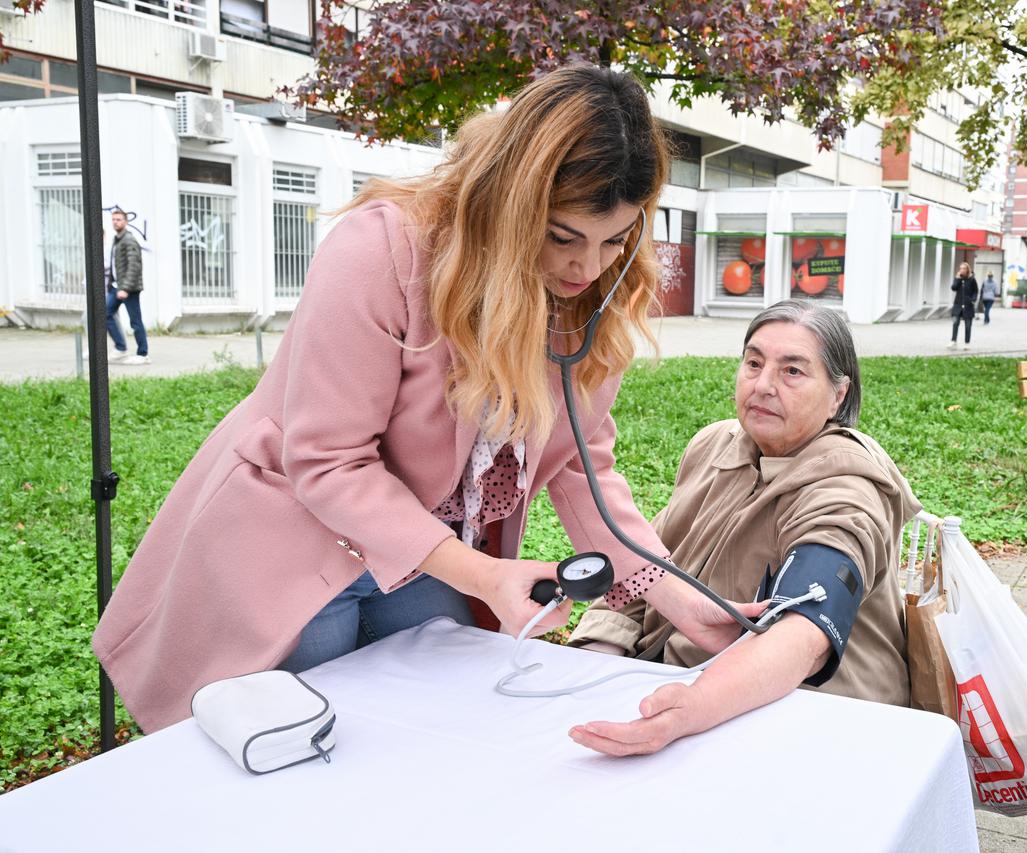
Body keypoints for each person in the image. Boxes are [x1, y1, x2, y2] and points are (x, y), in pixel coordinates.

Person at [92, 66, 757, 733]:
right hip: (297, 540)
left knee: (426, 736)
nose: (586, 268)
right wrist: (478, 572)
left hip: (422, 556)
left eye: (615, 239)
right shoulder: (384, 249)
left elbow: (582, 466)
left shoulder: (592, 298)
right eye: (562, 237)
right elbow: (328, 461)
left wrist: (679, 599)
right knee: (293, 754)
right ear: (511, 202)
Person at [567, 301, 920, 756]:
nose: (763, 385)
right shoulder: (715, 445)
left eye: (793, 371)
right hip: (672, 686)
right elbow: (644, 565)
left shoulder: (847, 489)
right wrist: (599, 651)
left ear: (838, 394)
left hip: (816, 719)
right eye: (753, 363)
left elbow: (807, 632)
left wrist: (694, 706)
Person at [105, 208, 149, 365]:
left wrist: (125, 288)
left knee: (135, 321)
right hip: (117, 287)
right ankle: (121, 348)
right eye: (113, 219)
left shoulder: (128, 240)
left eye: (118, 219)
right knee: (106, 314)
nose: (115, 222)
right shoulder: (117, 239)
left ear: (126, 221)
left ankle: (143, 354)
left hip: (128, 289)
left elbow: (134, 266)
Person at [948, 262, 979, 349]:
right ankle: (953, 341)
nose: (961, 270)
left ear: (967, 270)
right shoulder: (958, 278)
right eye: (960, 268)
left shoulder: (972, 279)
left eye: (963, 268)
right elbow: (953, 288)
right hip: (957, 305)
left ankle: (967, 343)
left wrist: (973, 300)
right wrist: (957, 279)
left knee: (968, 325)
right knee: (955, 323)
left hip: (968, 305)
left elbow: (976, 291)